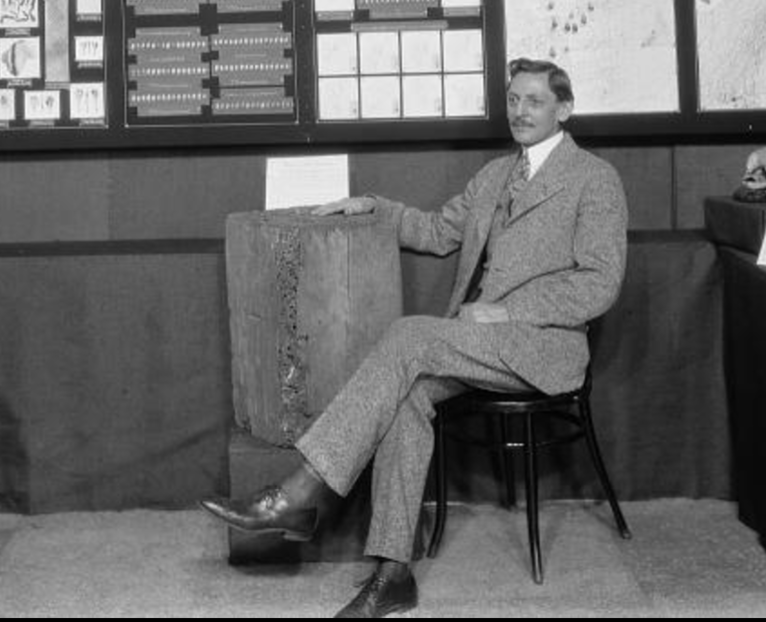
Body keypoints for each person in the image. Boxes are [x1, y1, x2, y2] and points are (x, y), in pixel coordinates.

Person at [201, 58, 628, 618]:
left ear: (564, 109)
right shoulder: (495, 175)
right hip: (477, 344)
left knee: (409, 337)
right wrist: (373, 207)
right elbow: (436, 230)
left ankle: (300, 495)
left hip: (544, 348)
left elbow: (601, 283)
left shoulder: (595, 179)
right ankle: (393, 573)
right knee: (405, 399)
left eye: (534, 101)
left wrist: (507, 310)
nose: (519, 112)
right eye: (513, 100)